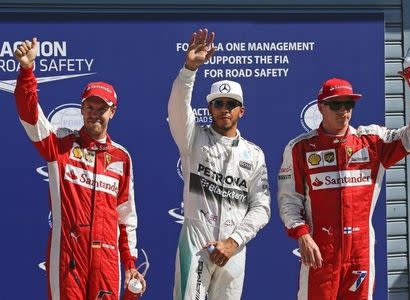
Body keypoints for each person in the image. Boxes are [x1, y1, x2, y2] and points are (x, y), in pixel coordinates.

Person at [278, 69, 410, 299]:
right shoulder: (300, 148)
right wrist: (303, 235)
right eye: (336, 105)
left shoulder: (372, 141)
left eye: (349, 104)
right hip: (321, 251)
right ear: (320, 107)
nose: (343, 111)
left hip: (360, 250)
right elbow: (289, 201)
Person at [14, 38, 146, 300]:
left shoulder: (121, 157)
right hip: (68, 252)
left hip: (107, 256)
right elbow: (31, 118)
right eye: (89, 107)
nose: (95, 114)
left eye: (102, 109)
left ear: (113, 112)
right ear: (82, 108)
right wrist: (27, 71)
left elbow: (126, 218)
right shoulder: (60, 145)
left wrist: (130, 263)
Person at [168, 28, 271, 300]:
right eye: (218, 103)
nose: (224, 108)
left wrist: (233, 242)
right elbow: (178, 110)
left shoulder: (254, 154)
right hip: (197, 242)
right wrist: (190, 69)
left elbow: (261, 207)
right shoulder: (193, 138)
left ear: (242, 110)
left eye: (231, 103)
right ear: (210, 109)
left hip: (233, 249)